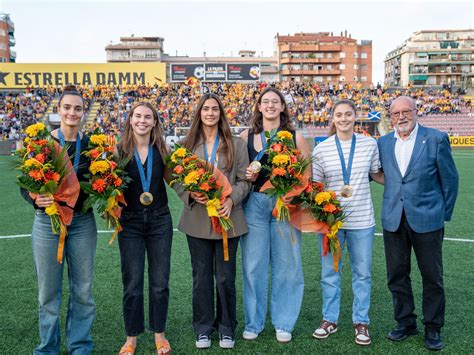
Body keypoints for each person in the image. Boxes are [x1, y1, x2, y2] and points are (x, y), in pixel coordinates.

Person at [378, 96, 458, 351]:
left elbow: (450, 180)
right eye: (395, 113)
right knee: (397, 275)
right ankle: (405, 322)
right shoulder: (383, 142)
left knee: (432, 276)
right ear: (390, 116)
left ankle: (433, 328)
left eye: (405, 111)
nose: (400, 116)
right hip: (394, 219)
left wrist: (441, 214)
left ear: (415, 111)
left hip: (428, 219)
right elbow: (383, 176)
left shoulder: (435, 138)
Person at [22, 86, 98, 354]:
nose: (72, 112)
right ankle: (47, 348)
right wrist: (34, 199)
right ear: (59, 110)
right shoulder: (42, 144)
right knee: (48, 293)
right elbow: (26, 183)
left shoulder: (90, 146)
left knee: (83, 291)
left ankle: (79, 346)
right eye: (67, 107)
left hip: (81, 224)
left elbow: (96, 184)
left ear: (83, 112)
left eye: (78, 108)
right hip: (47, 224)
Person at [175, 93, 250, 349]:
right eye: (205, 109)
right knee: (201, 277)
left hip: (229, 219)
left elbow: (244, 181)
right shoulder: (186, 144)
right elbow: (175, 179)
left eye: (214, 109)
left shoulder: (236, 145)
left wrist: (231, 200)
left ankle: (227, 327)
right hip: (197, 220)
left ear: (221, 113)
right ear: (199, 113)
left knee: (226, 277)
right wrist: (191, 193)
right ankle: (204, 327)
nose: (210, 113)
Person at [240, 86, 310, 343]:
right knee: (253, 266)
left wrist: (290, 197)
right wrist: (247, 175)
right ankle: (254, 322)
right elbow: (239, 172)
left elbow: (306, 176)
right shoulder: (246, 136)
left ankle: (284, 322)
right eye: (265, 101)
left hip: (285, 205)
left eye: (275, 102)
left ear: (282, 107)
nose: (270, 105)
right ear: (258, 106)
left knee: (288, 266)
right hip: (254, 204)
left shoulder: (295, 137)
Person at [311, 99, 383, 346]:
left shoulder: (370, 144)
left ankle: (361, 322)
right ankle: (329, 319)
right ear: (332, 118)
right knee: (330, 272)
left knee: (362, 274)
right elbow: (316, 187)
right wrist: (324, 214)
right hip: (332, 223)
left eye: (348, 114)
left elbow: (376, 173)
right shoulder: (321, 149)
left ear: (355, 117)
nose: (343, 119)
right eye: (339, 115)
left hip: (362, 221)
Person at [116, 102, 173, 355]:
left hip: (160, 220)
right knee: (133, 282)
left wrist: (202, 195)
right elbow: (109, 185)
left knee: (160, 282)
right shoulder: (118, 151)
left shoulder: (163, 148)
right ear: (130, 120)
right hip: (130, 222)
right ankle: (132, 338)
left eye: (147, 117)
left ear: (154, 122)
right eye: (137, 116)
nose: (142, 120)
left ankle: (159, 334)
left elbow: (176, 181)